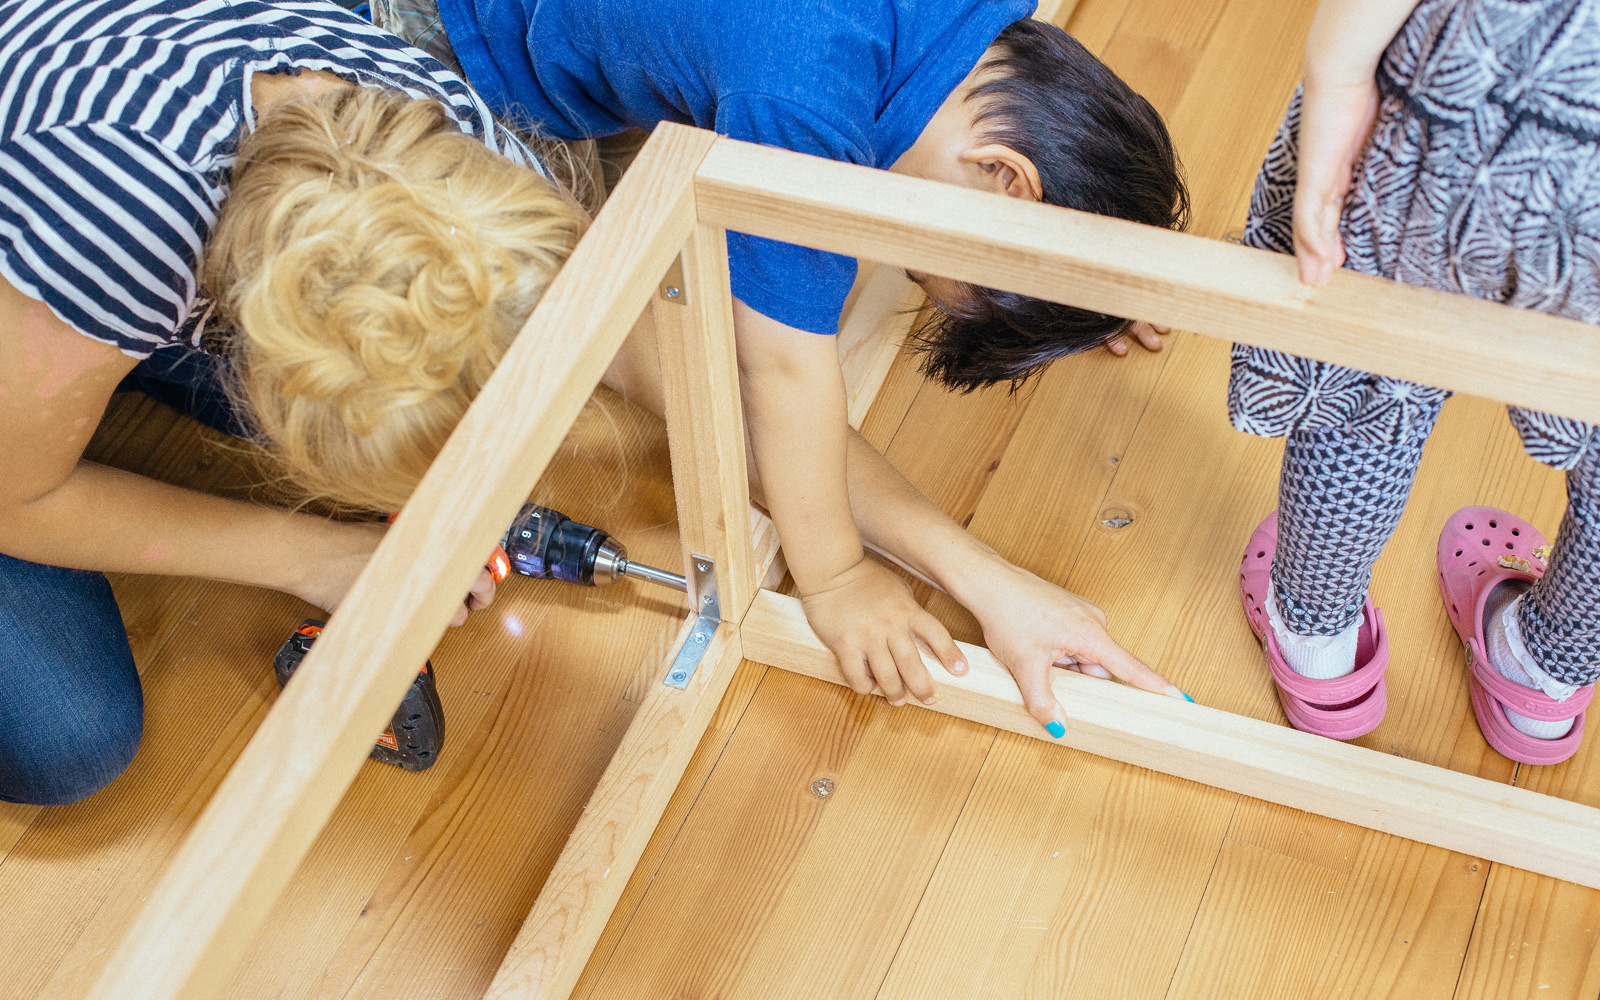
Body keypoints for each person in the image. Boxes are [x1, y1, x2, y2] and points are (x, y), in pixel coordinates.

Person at [374, 0, 1196, 733]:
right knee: (558, 307)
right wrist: (835, 577)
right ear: (1009, 182)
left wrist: (1094, 281)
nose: (932, 288)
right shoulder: (803, 114)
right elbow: (777, 378)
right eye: (965, 290)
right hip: (440, 39)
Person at [0, 0, 585, 804]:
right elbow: (17, 501)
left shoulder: (467, 160)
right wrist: (320, 557)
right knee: (70, 737)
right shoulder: (112, 221)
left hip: (78, 286)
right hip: (67, 257)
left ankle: (77, 370)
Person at [1233, 0, 1599, 762]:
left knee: (1372, 386)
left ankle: (1318, 647)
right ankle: (1545, 677)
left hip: (1464, 111)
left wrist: (1339, 82)